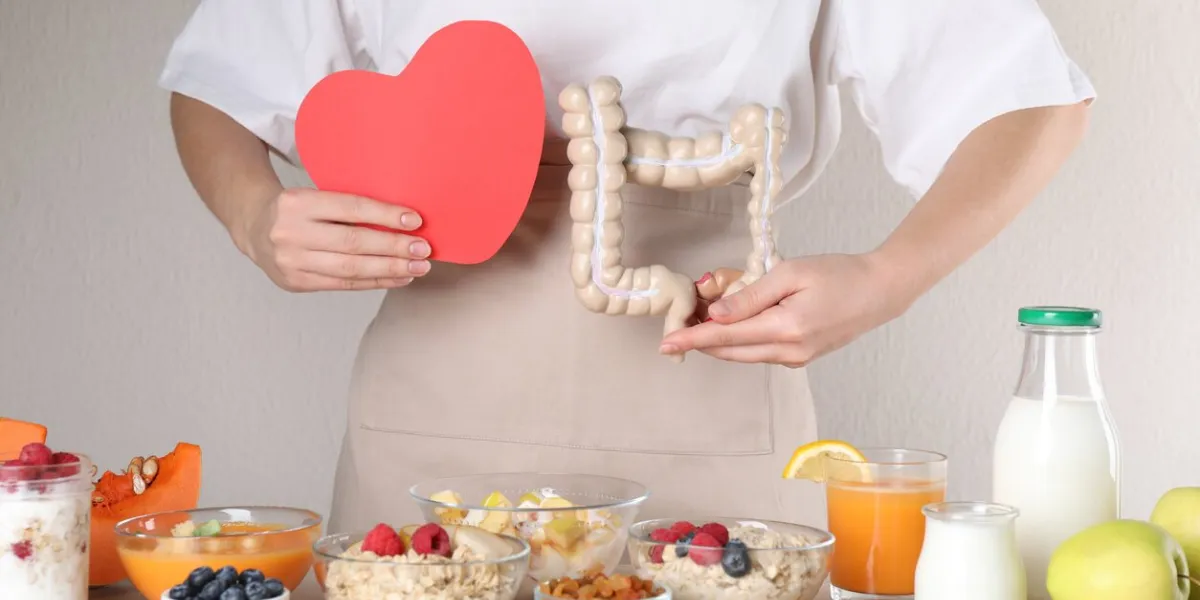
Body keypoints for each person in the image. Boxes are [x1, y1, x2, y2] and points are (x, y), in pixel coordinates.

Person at [159, 0, 1093, 533]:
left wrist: (891, 278)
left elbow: (1026, 100)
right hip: (438, 405)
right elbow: (221, 86)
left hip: (710, 376)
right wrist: (255, 216)